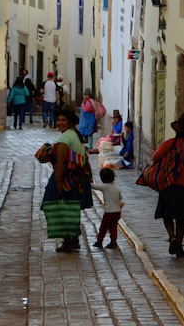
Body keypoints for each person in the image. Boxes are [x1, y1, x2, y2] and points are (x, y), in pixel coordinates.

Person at [150, 113, 184, 258]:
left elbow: (156, 157)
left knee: (167, 215)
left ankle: (172, 236)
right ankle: (179, 246)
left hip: (171, 184)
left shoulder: (170, 144)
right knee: (180, 218)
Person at [40, 106, 93, 253]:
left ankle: (68, 241)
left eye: (63, 120)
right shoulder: (75, 135)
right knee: (71, 207)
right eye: (58, 119)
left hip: (66, 178)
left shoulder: (64, 138)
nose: (59, 122)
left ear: (70, 122)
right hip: (77, 178)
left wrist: (58, 181)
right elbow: (85, 157)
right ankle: (74, 239)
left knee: (60, 207)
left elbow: (61, 161)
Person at [94, 167, 124, 249]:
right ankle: (113, 242)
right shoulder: (115, 187)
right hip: (117, 212)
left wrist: (86, 181)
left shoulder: (104, 186)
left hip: (109, 212)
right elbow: (120, 197)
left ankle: (99, 241)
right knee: (113, 227)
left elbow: (94, 186)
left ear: (103, 178)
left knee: (103, 227)